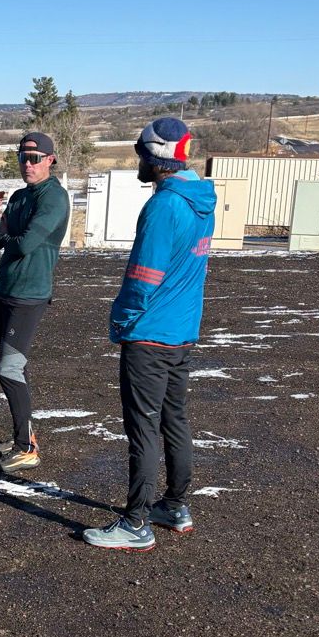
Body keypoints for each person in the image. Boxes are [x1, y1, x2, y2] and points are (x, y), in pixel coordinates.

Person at [82, 117, 217, 551]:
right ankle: (174, 505)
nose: (138, 161)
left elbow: (143, 277)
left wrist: (121, 321)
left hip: (149, 336)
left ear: (157, 159)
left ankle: (135, 521)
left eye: (141, 153)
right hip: (181, 334)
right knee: (175, 420)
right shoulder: (201, 201)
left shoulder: (163, 206)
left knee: (143, 429)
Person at [0, 133, 71, 472]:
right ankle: (23, 436)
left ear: (50, 160)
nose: (27, 164)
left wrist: (10, 236)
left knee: (8, 369)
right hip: (5, 289)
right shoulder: (20, 197)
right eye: (23, 157)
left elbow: (25, 244)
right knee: (14, 368)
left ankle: (26, 449)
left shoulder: (55, 198)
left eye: (34, 158)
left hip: (29, 294)